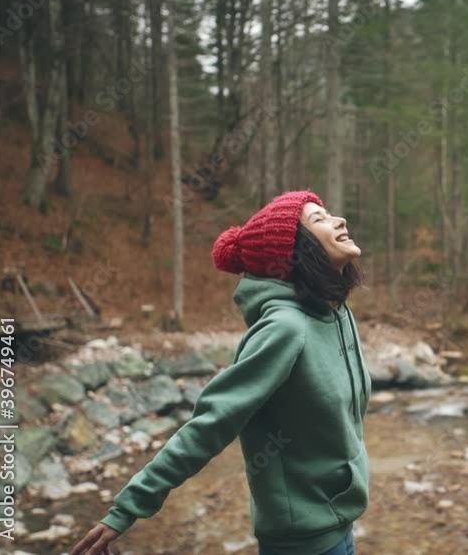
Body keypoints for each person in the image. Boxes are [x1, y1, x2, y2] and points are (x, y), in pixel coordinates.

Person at [71, 190, 371, 555]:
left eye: (329, 213)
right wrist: (126, 509)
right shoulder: (285, 330)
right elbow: (211, 423)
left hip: (341, 526)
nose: (339, 220)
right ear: (295, 252)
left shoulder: (338, 314)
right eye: (318, 220)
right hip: (303, 544)